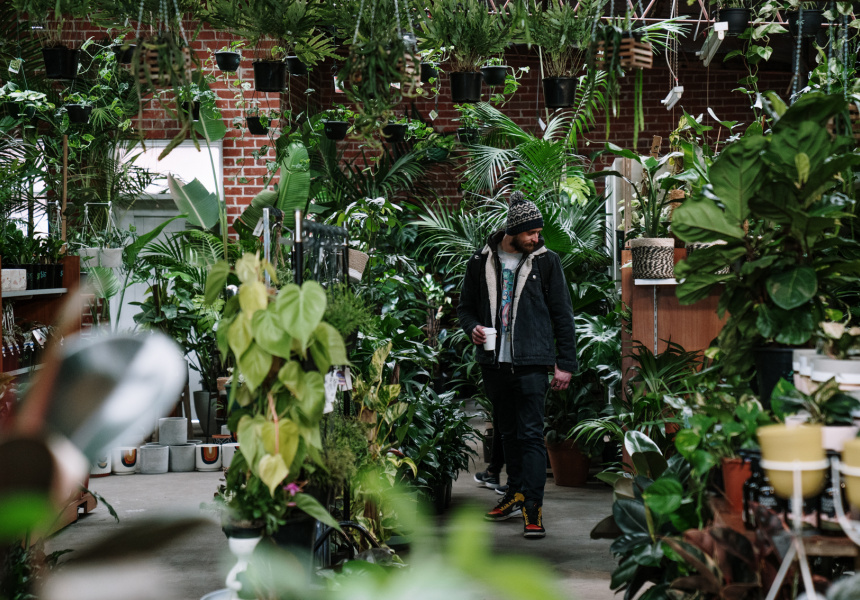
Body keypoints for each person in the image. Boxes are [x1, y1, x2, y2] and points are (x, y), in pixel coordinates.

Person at [458, 190, 577, 539]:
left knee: (530, 436)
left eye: (538, 232)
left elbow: (563, 314)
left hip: (533, 362)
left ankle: (533, 508)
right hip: (494, 363)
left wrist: (565, 363)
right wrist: (472, 328)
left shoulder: (547, 262)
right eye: (531, 233)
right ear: (513, 230)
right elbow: (465, 308)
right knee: (507, 433)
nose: (537, 238)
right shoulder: (480, 262)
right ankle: (515, 493)